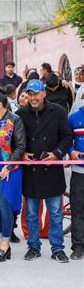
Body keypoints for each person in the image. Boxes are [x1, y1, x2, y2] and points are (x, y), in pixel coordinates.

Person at [16, 79, 73, 263]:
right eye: (29, 94)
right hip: (31, 171)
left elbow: (67, 137)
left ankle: (57, 248)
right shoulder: (20, 114)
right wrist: (22, 154)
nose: (33, 98)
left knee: (55, 213)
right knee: (32, 213)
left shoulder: (58, 111)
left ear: (44, 94)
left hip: (52, 170)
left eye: (36, 94)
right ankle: (33, 246)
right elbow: (13, 141)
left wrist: (57, 153)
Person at [0, 89, 26, 263]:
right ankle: (0, 241)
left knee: (4, 207)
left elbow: (21, 146)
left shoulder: (14, 120)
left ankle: (6, 244)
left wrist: (9, 166)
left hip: (8, 170)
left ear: (0, 105)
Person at [68, 91, 84, 260]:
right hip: (79, 171)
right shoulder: (74, 117)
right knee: (78, 209)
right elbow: (66, 139)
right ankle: (78, 246)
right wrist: (71, 152)